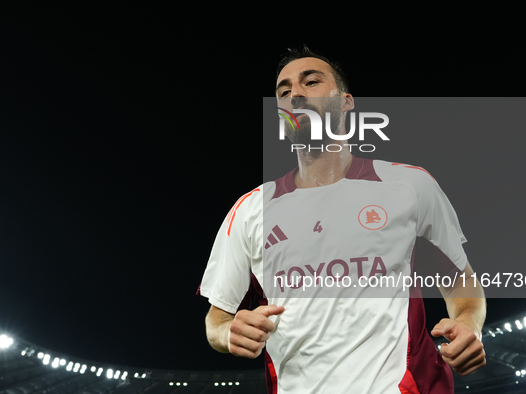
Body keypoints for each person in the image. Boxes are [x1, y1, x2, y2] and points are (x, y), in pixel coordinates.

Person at [198, 46, 486, 394]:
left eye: (311, 82)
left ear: (346, 102)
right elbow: (217, 320)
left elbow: (460, 283)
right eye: (284, 92)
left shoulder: (409, 185)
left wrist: (469, 324)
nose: (296, 96)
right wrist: (229, 333)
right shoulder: (250, 209)